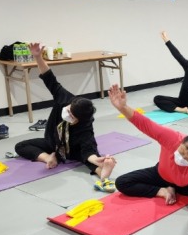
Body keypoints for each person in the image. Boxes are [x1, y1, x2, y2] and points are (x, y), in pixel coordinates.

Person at [109, 84, 188, 234]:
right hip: (162, 174)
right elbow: (144, 123)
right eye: (181, 152)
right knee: (122, 182)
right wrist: (122, 107)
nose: (181, 158)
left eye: (186, 159)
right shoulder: (172, 138)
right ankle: (165, 190)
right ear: (181, 143)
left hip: (185, 184)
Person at [14, 42, 117, 193]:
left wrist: (96, 159)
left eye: (72, 116)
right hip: (53, 143)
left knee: (88, 159)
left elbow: (87, 150)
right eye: (69, 110)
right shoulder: (64, 98)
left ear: (79, 120)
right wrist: (38, 57)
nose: (67, 115)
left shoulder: (85, 126)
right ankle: (50, 158)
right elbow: (49, 77)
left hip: (73, 149)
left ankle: (104, 175)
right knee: (20, 146)